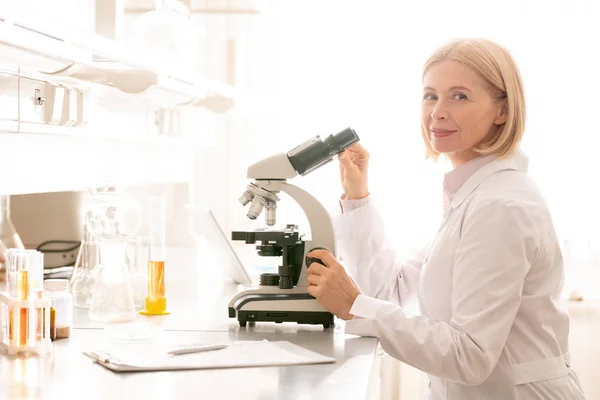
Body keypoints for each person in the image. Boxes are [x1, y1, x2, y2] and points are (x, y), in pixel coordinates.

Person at [306, 38, 586, 400]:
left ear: (502, 110)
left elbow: (470, 355)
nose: (437, 112)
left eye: (460, 96)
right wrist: (358, 197)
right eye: (430, 95)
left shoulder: (499, 206)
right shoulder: (472, 195)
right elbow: (389, 292)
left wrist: (354, 305)